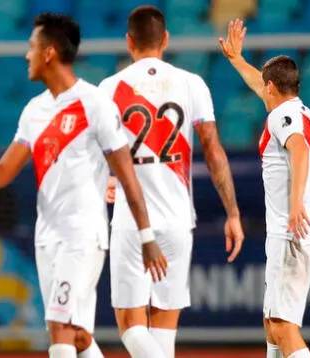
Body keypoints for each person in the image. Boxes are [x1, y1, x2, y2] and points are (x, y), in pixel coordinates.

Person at [0, 13, 167, 358]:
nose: (26, 55)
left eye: (31, 47)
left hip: (82, 235)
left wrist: (146, 237)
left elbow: (126, 174)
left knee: (59, 328)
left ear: (49, 53)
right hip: (46, 237)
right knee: (76, 334)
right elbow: (4, 170)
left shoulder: (95, 104)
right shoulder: (34, 110)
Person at [99, 6, 245, 357]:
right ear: (165, 40)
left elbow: (96, 154)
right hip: (178, 218)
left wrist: (103, 179)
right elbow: (213, 151)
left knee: (131, 328)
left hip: (132, 221)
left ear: (128, 41)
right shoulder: (191, 84)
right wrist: (233, 213)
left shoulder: (109, 88)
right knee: (163, 334)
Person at [219, 19, 310, 358]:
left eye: (263, 86)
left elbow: (298, 150)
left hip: (291, 228)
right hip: (295, 229)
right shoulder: (295, 109)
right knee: (272, 326)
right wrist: (237, 60)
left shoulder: (282, 117)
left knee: (282, 326)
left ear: (271, 88)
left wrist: (295, 206)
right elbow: (258, 83)